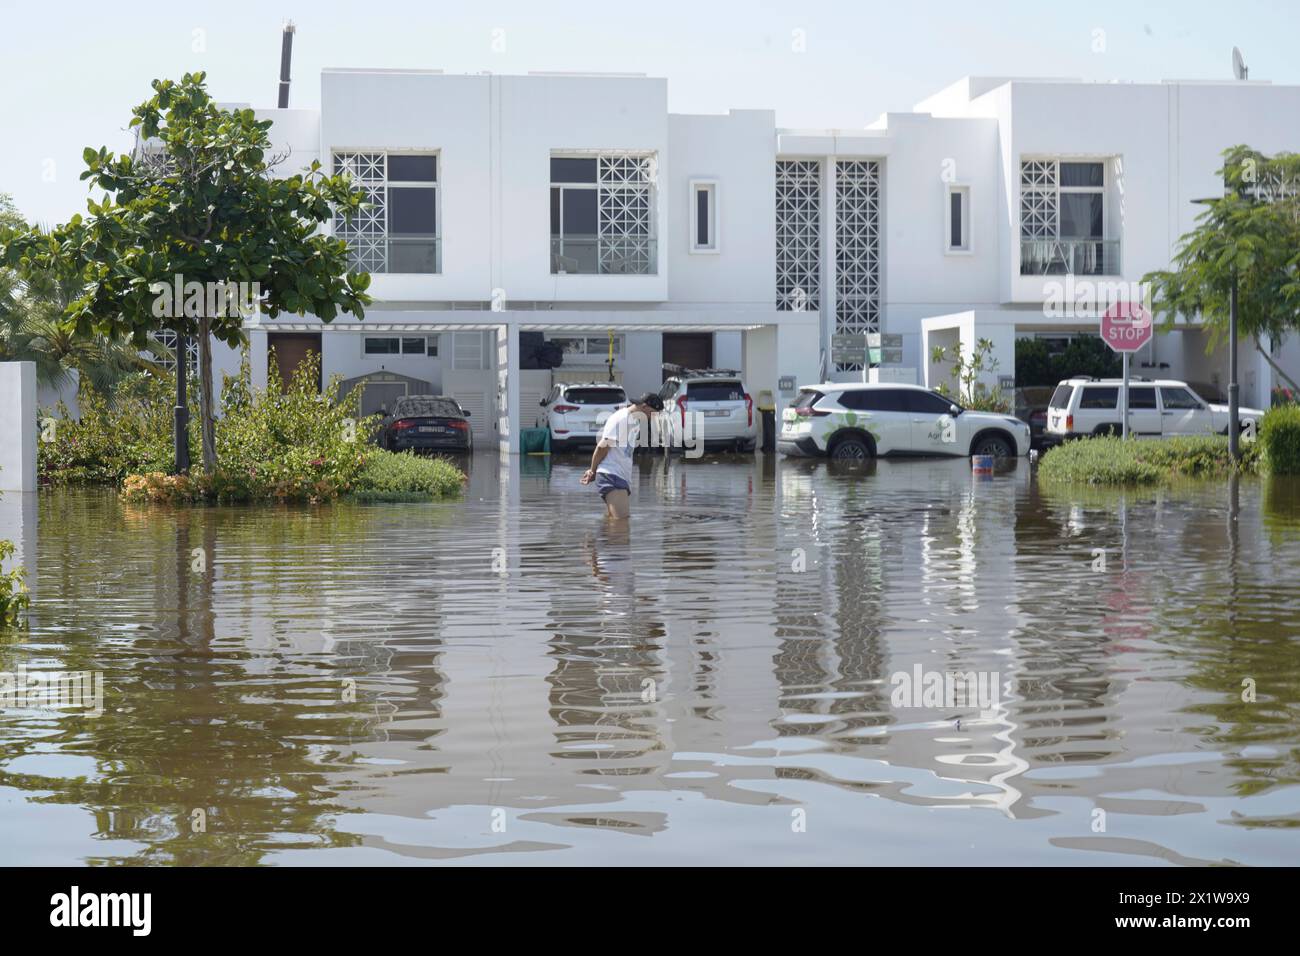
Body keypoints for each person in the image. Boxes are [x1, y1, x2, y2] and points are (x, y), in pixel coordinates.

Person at [580, 392, 665, 518]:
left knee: (612, 522)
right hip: (612, 475)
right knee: (622, 523)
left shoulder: (634, 421)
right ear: (645, 407)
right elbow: (603, 446)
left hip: (618, 476)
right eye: (652, 414)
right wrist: (592, 470)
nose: (651, 418)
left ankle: (597, 537)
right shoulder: (623, 418)